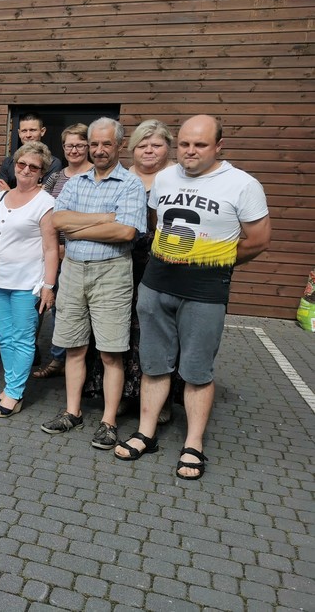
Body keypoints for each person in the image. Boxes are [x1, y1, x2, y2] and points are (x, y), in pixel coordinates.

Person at [115, 115, 270, 480]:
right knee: (154, 364)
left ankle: (194, 443)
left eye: (200, 145)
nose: (190, 151)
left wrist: (210, 261)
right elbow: (156, 221)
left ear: (218, 145)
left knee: (197, 372)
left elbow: (259, 239)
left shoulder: (242, 184)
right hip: (155, 286)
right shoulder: (166, 177)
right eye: (184, 143)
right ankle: (146, 432)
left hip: (204, 294)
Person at [41, 117, 147, 450]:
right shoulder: (75, 180)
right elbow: (58, 221)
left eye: (106, 144)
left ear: (119, 145)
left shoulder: (130, 184)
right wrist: (105, 218)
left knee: (111, 351)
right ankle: (73, 412)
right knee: (74, 346)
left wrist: (78, 227)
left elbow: (127, 232)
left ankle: (109, 421)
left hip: (112, 271)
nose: (99, 150)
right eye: (94, 144)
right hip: (72, 269)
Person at [83, 120, 184, 422]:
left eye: (156, 144)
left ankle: (160, 399)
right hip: (119, 264)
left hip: (163, 267)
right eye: (142, 144)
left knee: (159, 332)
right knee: (119, 332)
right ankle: (125, 394)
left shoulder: (179, 180)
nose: (149, 150)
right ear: (132, 148)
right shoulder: (123, 178)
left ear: (168, 147)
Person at [0, 142, 58, 416]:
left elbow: (50, 248)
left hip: (27, 283)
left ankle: (14, 393)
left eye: (33, 167)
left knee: (23, 339)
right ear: (14, 165)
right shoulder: (0, 197)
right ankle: (10, 386)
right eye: (21, 164)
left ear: (41, 172)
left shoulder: (46, 202)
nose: (25, 170)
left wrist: (49, 286)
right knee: (5, 337)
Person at [32, 123, 93, 378]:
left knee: (74, 310)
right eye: (69, 145)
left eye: (79, 145)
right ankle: (58, 360)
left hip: (80, 253)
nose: (74, 150)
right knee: (51, 306)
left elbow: (90, 218)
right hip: (52, 253)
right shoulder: (55, 177)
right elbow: (41, 209)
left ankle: (80, 364)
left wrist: (68, 245)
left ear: (87, 146)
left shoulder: (94, 176)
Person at [0, 113, 63, 189]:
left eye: (32, 130)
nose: (28, 135)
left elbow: (45, 193)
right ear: (19, 133)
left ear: (42, 131)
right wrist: (36, 188)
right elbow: (1, 191)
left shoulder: (53, 163)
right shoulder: (8, 162)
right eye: (24, 131)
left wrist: (9, 192)